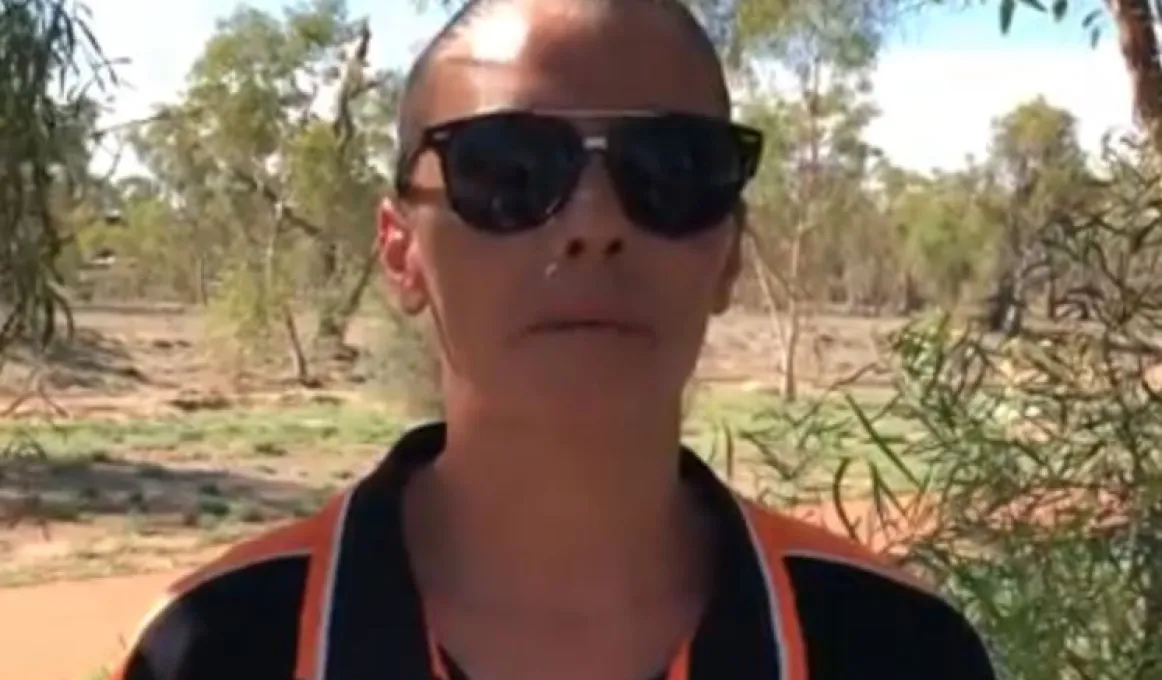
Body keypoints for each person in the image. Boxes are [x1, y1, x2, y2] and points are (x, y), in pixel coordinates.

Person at [110, 0, 998, 678]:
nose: (594, 223)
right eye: (506, 170)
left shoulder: (898, 649)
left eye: (671, 171)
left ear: (729, 252)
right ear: (401, 252)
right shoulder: (216, 648)